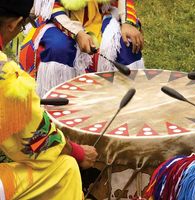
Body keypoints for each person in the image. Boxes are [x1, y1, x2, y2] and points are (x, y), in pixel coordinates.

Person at [0, 0, 97, 199]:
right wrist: (77, 152)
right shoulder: (6, 78)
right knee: (66, 168)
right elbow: (35, 139)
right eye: (22, 25)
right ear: (12, 24)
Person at [20, 0, 145, 97]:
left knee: (126, 45)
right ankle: (55, 110)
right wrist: (77, 33)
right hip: (58, 19)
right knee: (59, 48)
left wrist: (128, 23)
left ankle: (126, 107)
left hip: (101, 14)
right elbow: (53, 7)